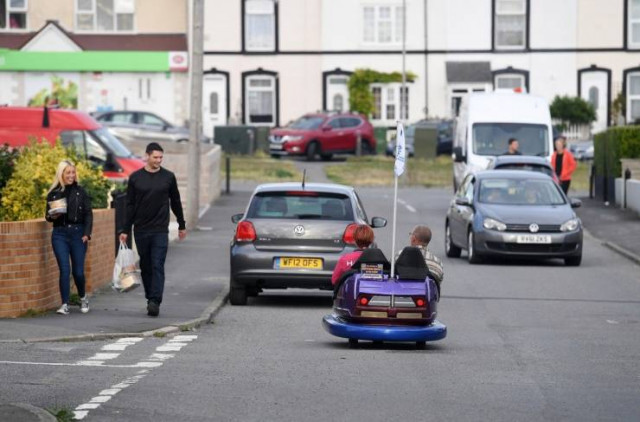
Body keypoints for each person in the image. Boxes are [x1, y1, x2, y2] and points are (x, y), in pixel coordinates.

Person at [119, 142, 187, 317]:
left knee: (157, 264)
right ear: (147, 156)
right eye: (155, 157)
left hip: (160, 230)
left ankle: (155, 300)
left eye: (161, 157)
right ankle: (150, 297)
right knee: (146, 265)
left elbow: (176, 202)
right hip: (141, 229)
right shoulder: (135, 178)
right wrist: (125, 229)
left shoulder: (168, 177)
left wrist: (181, 224)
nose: (158, 160)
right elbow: (130, 205)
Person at [45, 160, 93, 315]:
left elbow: (88, 214)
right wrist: (54, 215)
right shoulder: (54, 193)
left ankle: (82, 297)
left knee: (78, 272)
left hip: (78, 234)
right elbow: (48, 216)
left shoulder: (82, 191)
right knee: (64, 269)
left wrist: (86, 233)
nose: (71, 176)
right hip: (59, 233)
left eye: (73, 172)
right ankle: (64, 304)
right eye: (68, 173)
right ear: (62, 175)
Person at [399, 225, 444, 292]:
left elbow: (391, 273)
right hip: (427, 295)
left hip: (404, 293)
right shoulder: (438, 262)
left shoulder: (399, 255)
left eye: (410, 235)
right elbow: (438, 282)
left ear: (413, 239)